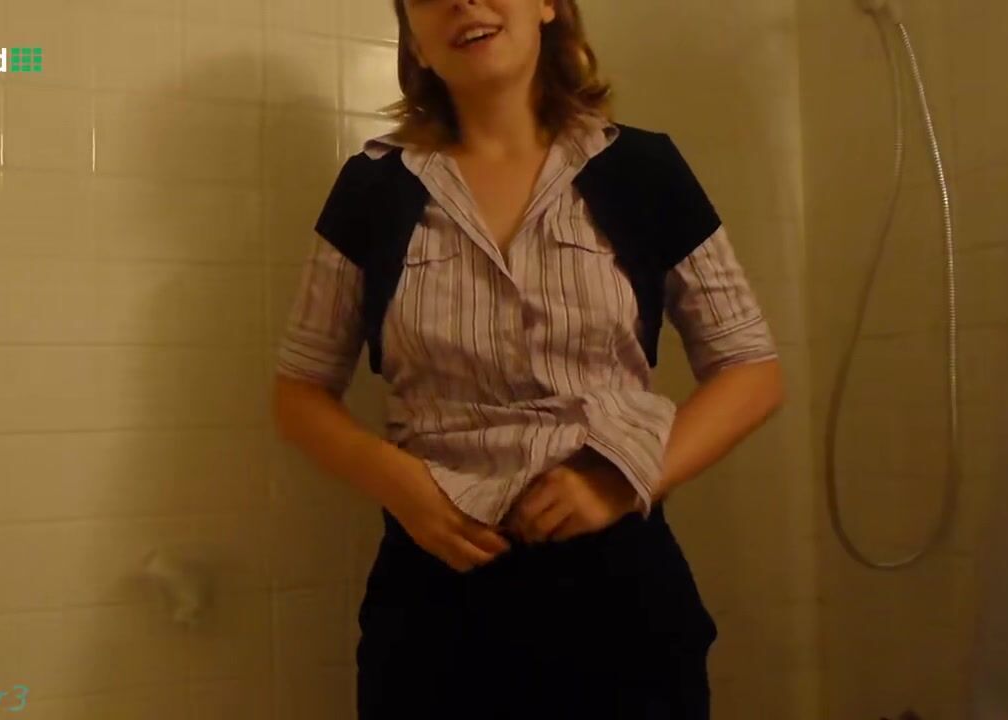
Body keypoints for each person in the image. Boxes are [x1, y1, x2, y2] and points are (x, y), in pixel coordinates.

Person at [271, 0, 784, 717]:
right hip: (434, 606)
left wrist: (620, 482)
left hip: (619, 600)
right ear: (413, 34)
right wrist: (400, 484)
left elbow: (751, 369)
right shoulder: (373, 189)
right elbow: (298, 392)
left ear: (548, 5)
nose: (463, 1)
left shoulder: (642, 170)